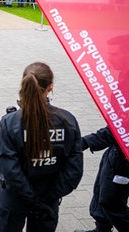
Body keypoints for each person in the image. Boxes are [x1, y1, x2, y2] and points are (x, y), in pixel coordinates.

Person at [0, 62, 83, 232]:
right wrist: (46, 198)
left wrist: (32, 199)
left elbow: (10, 170)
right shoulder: (68, 121)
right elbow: (74, 170)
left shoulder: (10, 122)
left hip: (15, 198)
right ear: (50, 87)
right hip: (48, 198)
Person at [74, 35, 129, 232]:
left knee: (112, 201)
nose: (109, 58)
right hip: (115, 151)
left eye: (113, 54)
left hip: (124, 155)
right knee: (100, 190)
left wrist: (84, 142)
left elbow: (119, 129)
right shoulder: (123, 76)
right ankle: (101, 228)